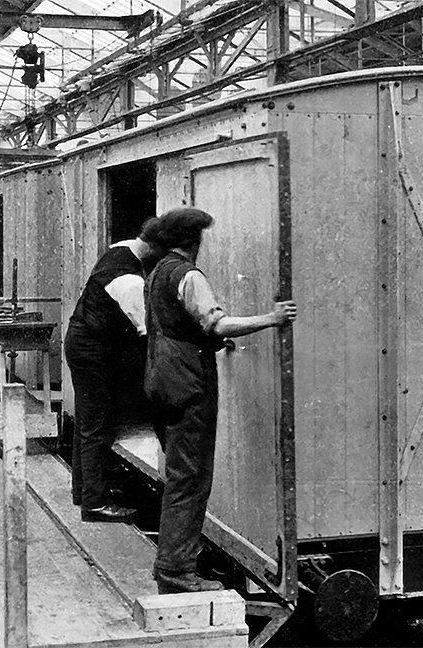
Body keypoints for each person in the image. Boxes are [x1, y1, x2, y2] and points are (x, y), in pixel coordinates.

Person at [144, 207, 297, 594]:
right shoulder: (189, 275)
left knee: (179, 474)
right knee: (191, 480)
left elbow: (178, 324)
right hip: (189, 383)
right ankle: (176, 571)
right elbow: (217, 322)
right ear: (194, 242)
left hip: (162, 379)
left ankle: (170, 563)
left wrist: (210, 341)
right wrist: (272, 318)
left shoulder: (159, 271)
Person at [64, 218, 164, 523]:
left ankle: (84, 489)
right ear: (152, 247)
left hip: (83, 342)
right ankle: (94, 504)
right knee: (98, 424)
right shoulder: (129, 281)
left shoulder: (120, 249)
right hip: (92, 350)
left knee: (88, 420)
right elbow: (148, 332)